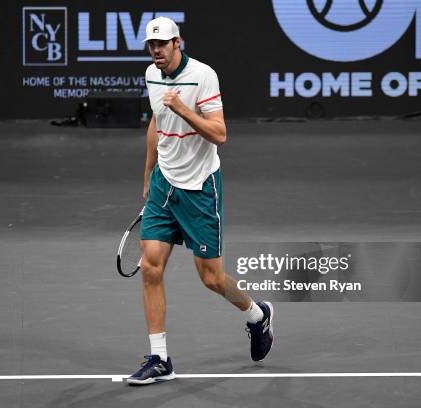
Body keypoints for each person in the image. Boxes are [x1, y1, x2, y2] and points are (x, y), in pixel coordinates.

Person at [126, 16, 274, 385]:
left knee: (210, 278)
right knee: (150, 268)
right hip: (165, 184)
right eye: (151, 45)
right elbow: (155, 124)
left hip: (200, 189)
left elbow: (220, 133)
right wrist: (148, 175)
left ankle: (257, 315)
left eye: (163, 44)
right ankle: (160, 358)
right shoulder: (151, 75)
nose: (156, 51)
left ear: (179, 43)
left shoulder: (204, 76)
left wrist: (182, 109)